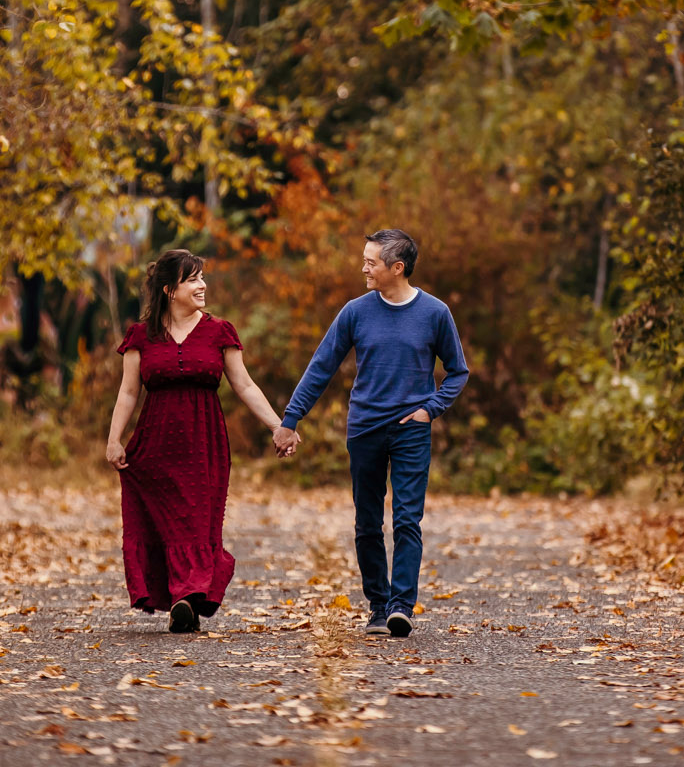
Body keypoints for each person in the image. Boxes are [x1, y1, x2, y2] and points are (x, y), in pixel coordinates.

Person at [273, 229, 468, 638]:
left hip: (411, 430)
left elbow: (457, 372)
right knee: (367, 523)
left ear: (397, 268)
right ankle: (378, 606)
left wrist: (428, 410)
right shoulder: (355, 312)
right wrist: (291, 420)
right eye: (363, 259)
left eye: (371, 261)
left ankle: (401, 607)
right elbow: (321, 366)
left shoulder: (435, 313)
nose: (363, 267)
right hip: (364, 429)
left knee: (407, 520)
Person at [105, 248, 294, 634]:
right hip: (154, 447)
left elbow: (244, 384)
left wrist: (280, 425)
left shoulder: (218, 331)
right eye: (193, 279)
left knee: (197, 522)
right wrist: (114, 440)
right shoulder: (141, 336)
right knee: (167, 523)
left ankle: (187, 598)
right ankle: (182, 598)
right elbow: (127, 393)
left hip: (204, 446)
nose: (202, 285)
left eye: (202, 276)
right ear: (169, 290)